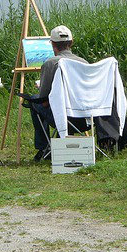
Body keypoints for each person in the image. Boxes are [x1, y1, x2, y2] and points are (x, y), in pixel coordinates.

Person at [30, 25, 88, 161]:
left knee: (34, 101)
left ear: (53, 44)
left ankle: (43, 147)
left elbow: (44, 97)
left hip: (62, 117)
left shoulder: (50, 63)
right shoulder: (84, 63)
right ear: (71, 43)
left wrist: (41, 88)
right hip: (85, 117)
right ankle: (57, 145)